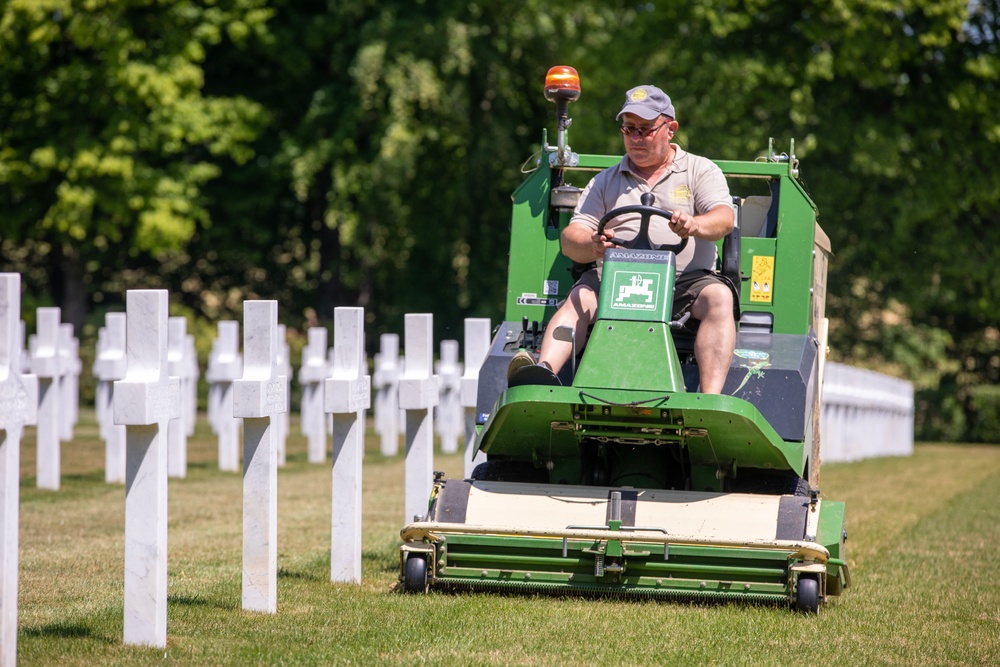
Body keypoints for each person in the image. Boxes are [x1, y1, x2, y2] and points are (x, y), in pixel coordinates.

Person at [510, 84, 739, 393]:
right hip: (616, 281)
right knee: (579, 297)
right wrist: (592, 243)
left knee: (719, 298)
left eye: (644, 129)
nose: (635, 138)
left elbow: (724, 218)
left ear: (670, 128)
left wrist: (694, 225)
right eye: (628, 129)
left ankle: (710, 399)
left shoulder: (700, 170)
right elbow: (570, 237)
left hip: (684, 285)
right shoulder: (605, 181)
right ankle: (543, 371)